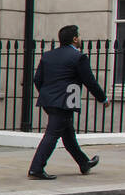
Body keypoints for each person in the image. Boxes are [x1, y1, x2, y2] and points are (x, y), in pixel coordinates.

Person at [28, 24, 107, 180]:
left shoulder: (48, 55)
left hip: (48, 101)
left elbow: (37, 79)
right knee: (52, 135)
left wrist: (47, 94)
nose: (80, 39)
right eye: (79, 36)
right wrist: (103, 98)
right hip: (64, 102)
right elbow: (90, 81)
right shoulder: (79, 57)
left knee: (68, 134)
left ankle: (84, 163)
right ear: (75, 39)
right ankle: (36, 169)